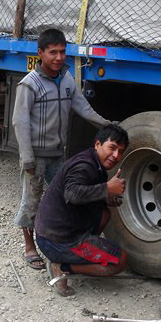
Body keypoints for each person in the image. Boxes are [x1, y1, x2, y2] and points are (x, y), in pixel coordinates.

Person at [12, 28, 111, 270]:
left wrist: (109, 126)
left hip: (58, 154)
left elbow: (83, 108)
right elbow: (20, 122)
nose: (58, 57)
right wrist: (27, 158)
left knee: (67, 198)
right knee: (31, 202)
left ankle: (65, 240)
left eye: (62, 52)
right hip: (35, 156)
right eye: (52, 52)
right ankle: (29, 247)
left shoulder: (66, 80)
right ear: (40, 53)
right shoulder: (29, 84)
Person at [34, 124, 130, 296]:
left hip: (53, 233)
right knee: (120, 261)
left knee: (104, 214)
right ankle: (62, 266)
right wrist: (106, 188)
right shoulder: (84, 166)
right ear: (97, 144)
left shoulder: (95, 163)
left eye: (120, 151)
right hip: (57, 240)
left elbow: (83, 193)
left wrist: (106, 196)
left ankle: (76, 255)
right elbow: (72, 194)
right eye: (112, 148)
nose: (116, 155)